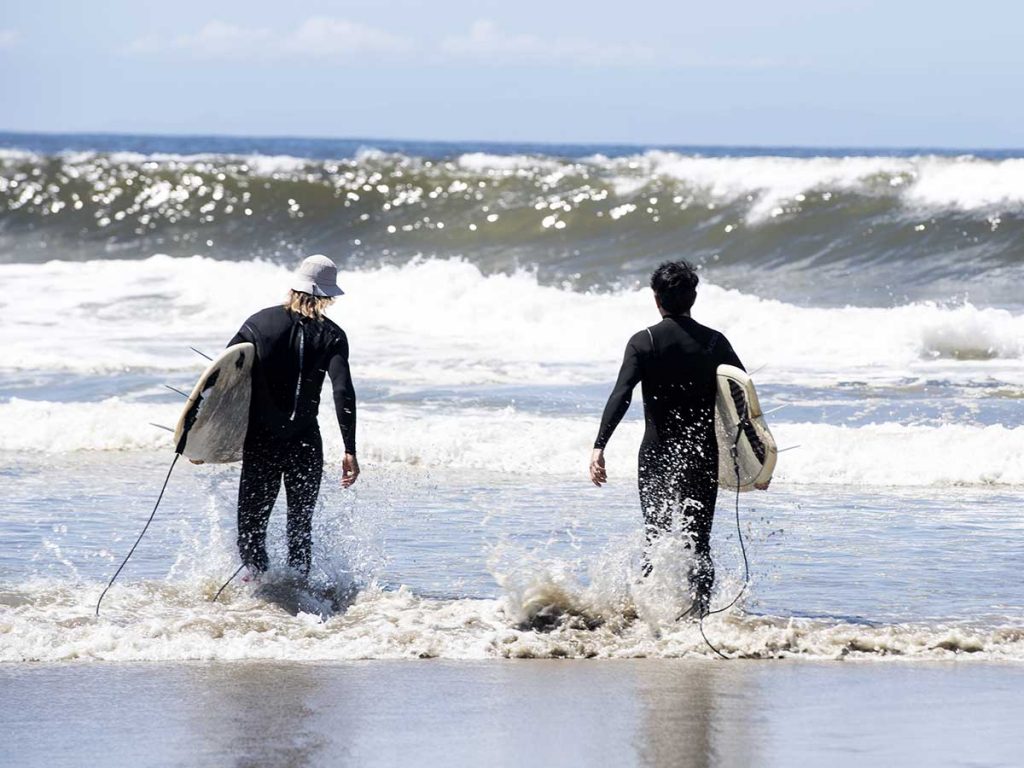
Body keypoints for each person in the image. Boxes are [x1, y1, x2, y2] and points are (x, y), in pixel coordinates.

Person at [589, 260, 764, 616]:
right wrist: (758, 462)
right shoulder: (715, 342)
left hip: (656, 455)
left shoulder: (645, 341)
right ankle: (699, 618)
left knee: (655, 538)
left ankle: (646, 619)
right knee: (700, 544)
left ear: (657, 299)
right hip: (702, 456)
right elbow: (743, 402)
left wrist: (599, 446)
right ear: (693, 298)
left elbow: (620, 394)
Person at [226, 254, 359, 577]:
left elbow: (223, 379)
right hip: (304, 443)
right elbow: (342, 391)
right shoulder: (333, 335)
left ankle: (258, 591)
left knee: (252, 525)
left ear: (293, 286)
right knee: (300, 527)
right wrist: (349, 449)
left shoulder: (259, 324)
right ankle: (299, 592)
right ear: (328, 296)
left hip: (262, 441)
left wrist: (200, 437)